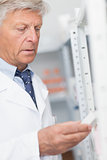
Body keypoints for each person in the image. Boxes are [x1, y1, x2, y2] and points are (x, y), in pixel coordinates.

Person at [0, 0, 92, 160]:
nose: (34, 38)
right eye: (22, 29)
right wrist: (37, 145)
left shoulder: (34, 82)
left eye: (37, 28)